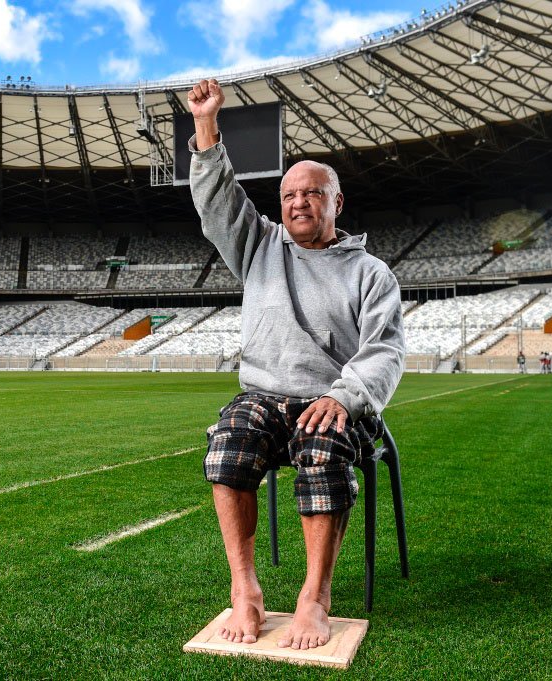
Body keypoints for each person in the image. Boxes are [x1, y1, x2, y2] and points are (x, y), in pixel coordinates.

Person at [188, 79, 405, 650]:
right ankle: (245, 589)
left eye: (312, 193)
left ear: (337, 203)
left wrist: (344, 396)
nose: (298, 202)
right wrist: (207, 128)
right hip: (262, 395)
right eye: (288, 195)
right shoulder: (259, 246)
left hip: (333, 402)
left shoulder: (371, 274)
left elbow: (384, 350)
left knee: (324, 452)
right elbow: (218, 203)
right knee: (227, 445)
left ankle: (315, 597)